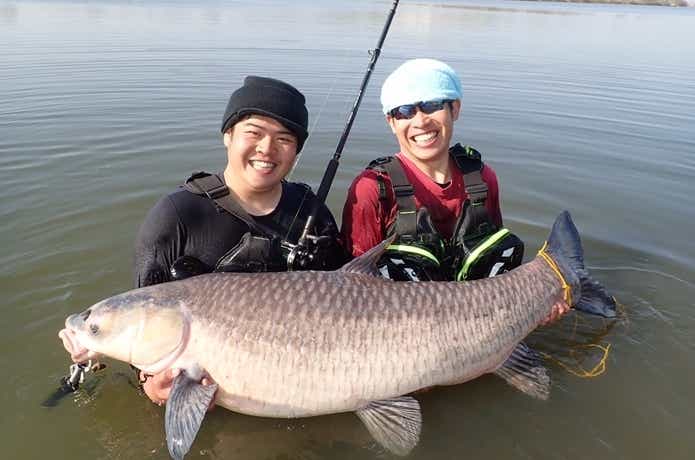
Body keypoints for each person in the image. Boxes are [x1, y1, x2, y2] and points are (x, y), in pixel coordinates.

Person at [134, 75, 346, 405]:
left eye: (284, 139)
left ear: (296, 151)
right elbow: (145, 317)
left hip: (308, 376)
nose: (267, 149)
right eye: (253, 133)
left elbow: (353, 302)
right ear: (228, 135)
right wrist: (149, 381)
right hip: (208, 387)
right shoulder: (177, 214)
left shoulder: (312, 214)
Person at [341, 58, 568, 321]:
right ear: (392, 122)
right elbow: (350, 289)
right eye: (405, 111)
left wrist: (539, 305)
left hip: (485, 323)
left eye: (432, 105)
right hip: (400, 332)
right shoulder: (372, 189)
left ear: (455, 109)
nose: (421, 121)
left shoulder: (482, 178)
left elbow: (492, 255)